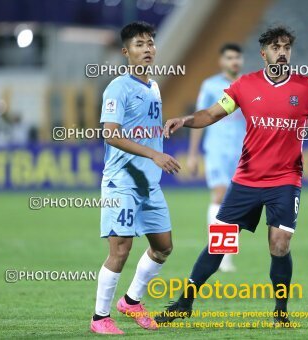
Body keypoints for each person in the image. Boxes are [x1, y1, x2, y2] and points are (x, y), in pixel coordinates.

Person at [157, 25, 308, 327]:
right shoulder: (245, 85)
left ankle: (281, 313)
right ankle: (183, 303)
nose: (282, 52)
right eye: (275, 47)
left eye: (286, 47)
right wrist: (185, 120)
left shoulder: (306, 87)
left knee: (279, 243)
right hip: (246, 179)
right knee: (220, 244)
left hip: (285, 180)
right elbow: (212, 114)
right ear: (263, 53)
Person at [90, 21, 181, 335]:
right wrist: (153, 153)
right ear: (125, 52)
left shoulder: (153, 86)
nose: (147, 49)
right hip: (122, 181)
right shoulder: (117, 87)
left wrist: (163, 129)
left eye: (150, 43)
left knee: (163, 247)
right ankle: (100, 317)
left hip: (148, 183)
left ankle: (131, 301)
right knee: (120, 250)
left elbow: (143, 127)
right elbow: (111, 135)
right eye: (139, 45)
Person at [186, 43, 246, 272]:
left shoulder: (248, 84)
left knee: (236, 202)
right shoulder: (210, 86)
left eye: (237, 57)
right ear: (222, 61)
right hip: (217, 150)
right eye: (229, 57)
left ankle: (224, 253)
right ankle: (222, 256)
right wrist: (192, 155)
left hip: (244, 151)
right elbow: (200, 119)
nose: (234, 61)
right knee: (220, 196)